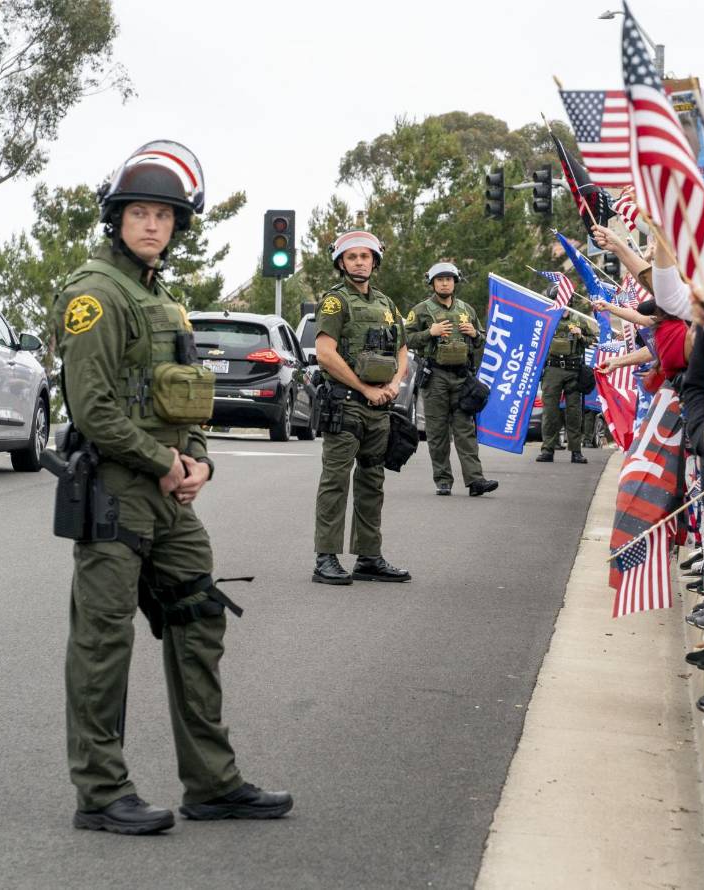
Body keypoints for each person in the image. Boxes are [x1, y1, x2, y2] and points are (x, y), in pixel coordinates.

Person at [54, 141, 291, 834]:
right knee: (103, 643)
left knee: (197, 617)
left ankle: (212, 783)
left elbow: (187, 400)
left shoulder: (165, 304)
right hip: (117, 493)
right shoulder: (95, 295)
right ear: (117, 219)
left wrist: (198, 459)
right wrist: (162, 462)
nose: (152, 225)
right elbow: (92, 409)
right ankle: (100, 792)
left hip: (167, 493)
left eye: (164, 215)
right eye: (140, 213)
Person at [311, 231, 411, 585]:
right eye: (351, 257)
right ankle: (325, 558)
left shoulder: (387, 305)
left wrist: (395, 384)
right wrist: (365, 388)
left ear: (374, 262)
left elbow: (401, 350)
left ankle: (369, 556)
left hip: (379, 409)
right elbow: (325, 353)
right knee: (335, 482)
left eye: (364, 257)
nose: (358, 262)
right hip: (346, 405)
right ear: (341, 263)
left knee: (373, 481)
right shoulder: (335, 303)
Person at [406, 262, 498, 497]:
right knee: (437, 432)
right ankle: (443, 479)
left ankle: (475, 480)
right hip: (435, 376)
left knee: (466, 430)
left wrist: (475, 334)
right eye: (440, 279)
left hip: (461, 377)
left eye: (448, 279)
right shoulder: (421, 310)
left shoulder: (466, 309)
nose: (445, 283)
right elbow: (405, 339)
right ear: (432, 283)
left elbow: (481, 340)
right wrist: (430, 333)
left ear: (455, 282)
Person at [536, 288, 597, 463]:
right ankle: (548, 449)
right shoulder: (546, 319)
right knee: (550, 412)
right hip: (552, 370)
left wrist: (581, 336)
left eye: (565, 298)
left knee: (574, 412)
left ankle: (576, 451)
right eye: (557, 298)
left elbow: (593, 340)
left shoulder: (578, 319)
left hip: (573, 370)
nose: (562, 301)